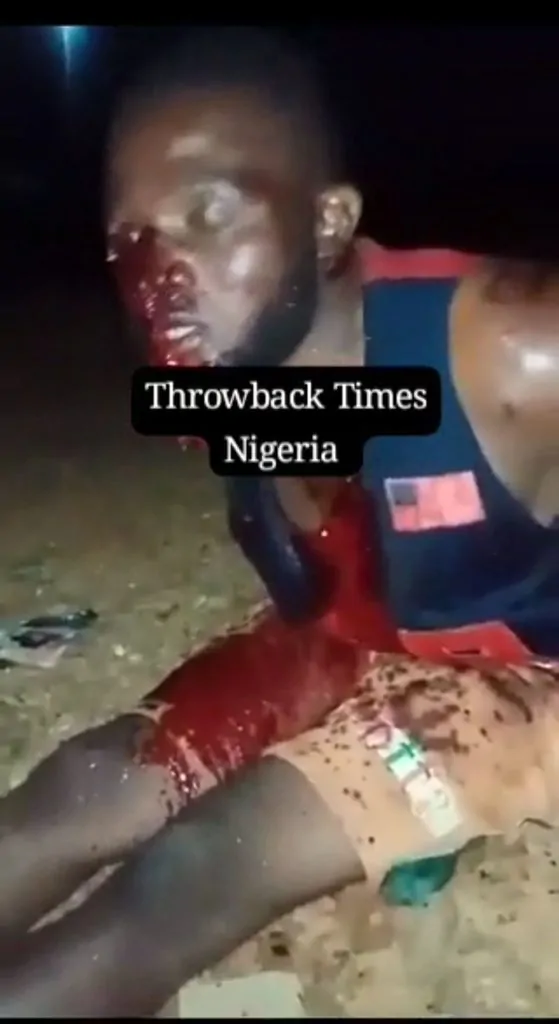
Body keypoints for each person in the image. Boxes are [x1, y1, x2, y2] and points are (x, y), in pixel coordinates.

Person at [1, 23, 559, 1013]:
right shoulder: (222, 381)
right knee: (86, 784)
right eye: (130, 240)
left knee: (196, 870)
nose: (158, 274)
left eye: (208, 213)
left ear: (329, 220)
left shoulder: (511, 348)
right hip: (361, 631)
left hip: (525, 675)